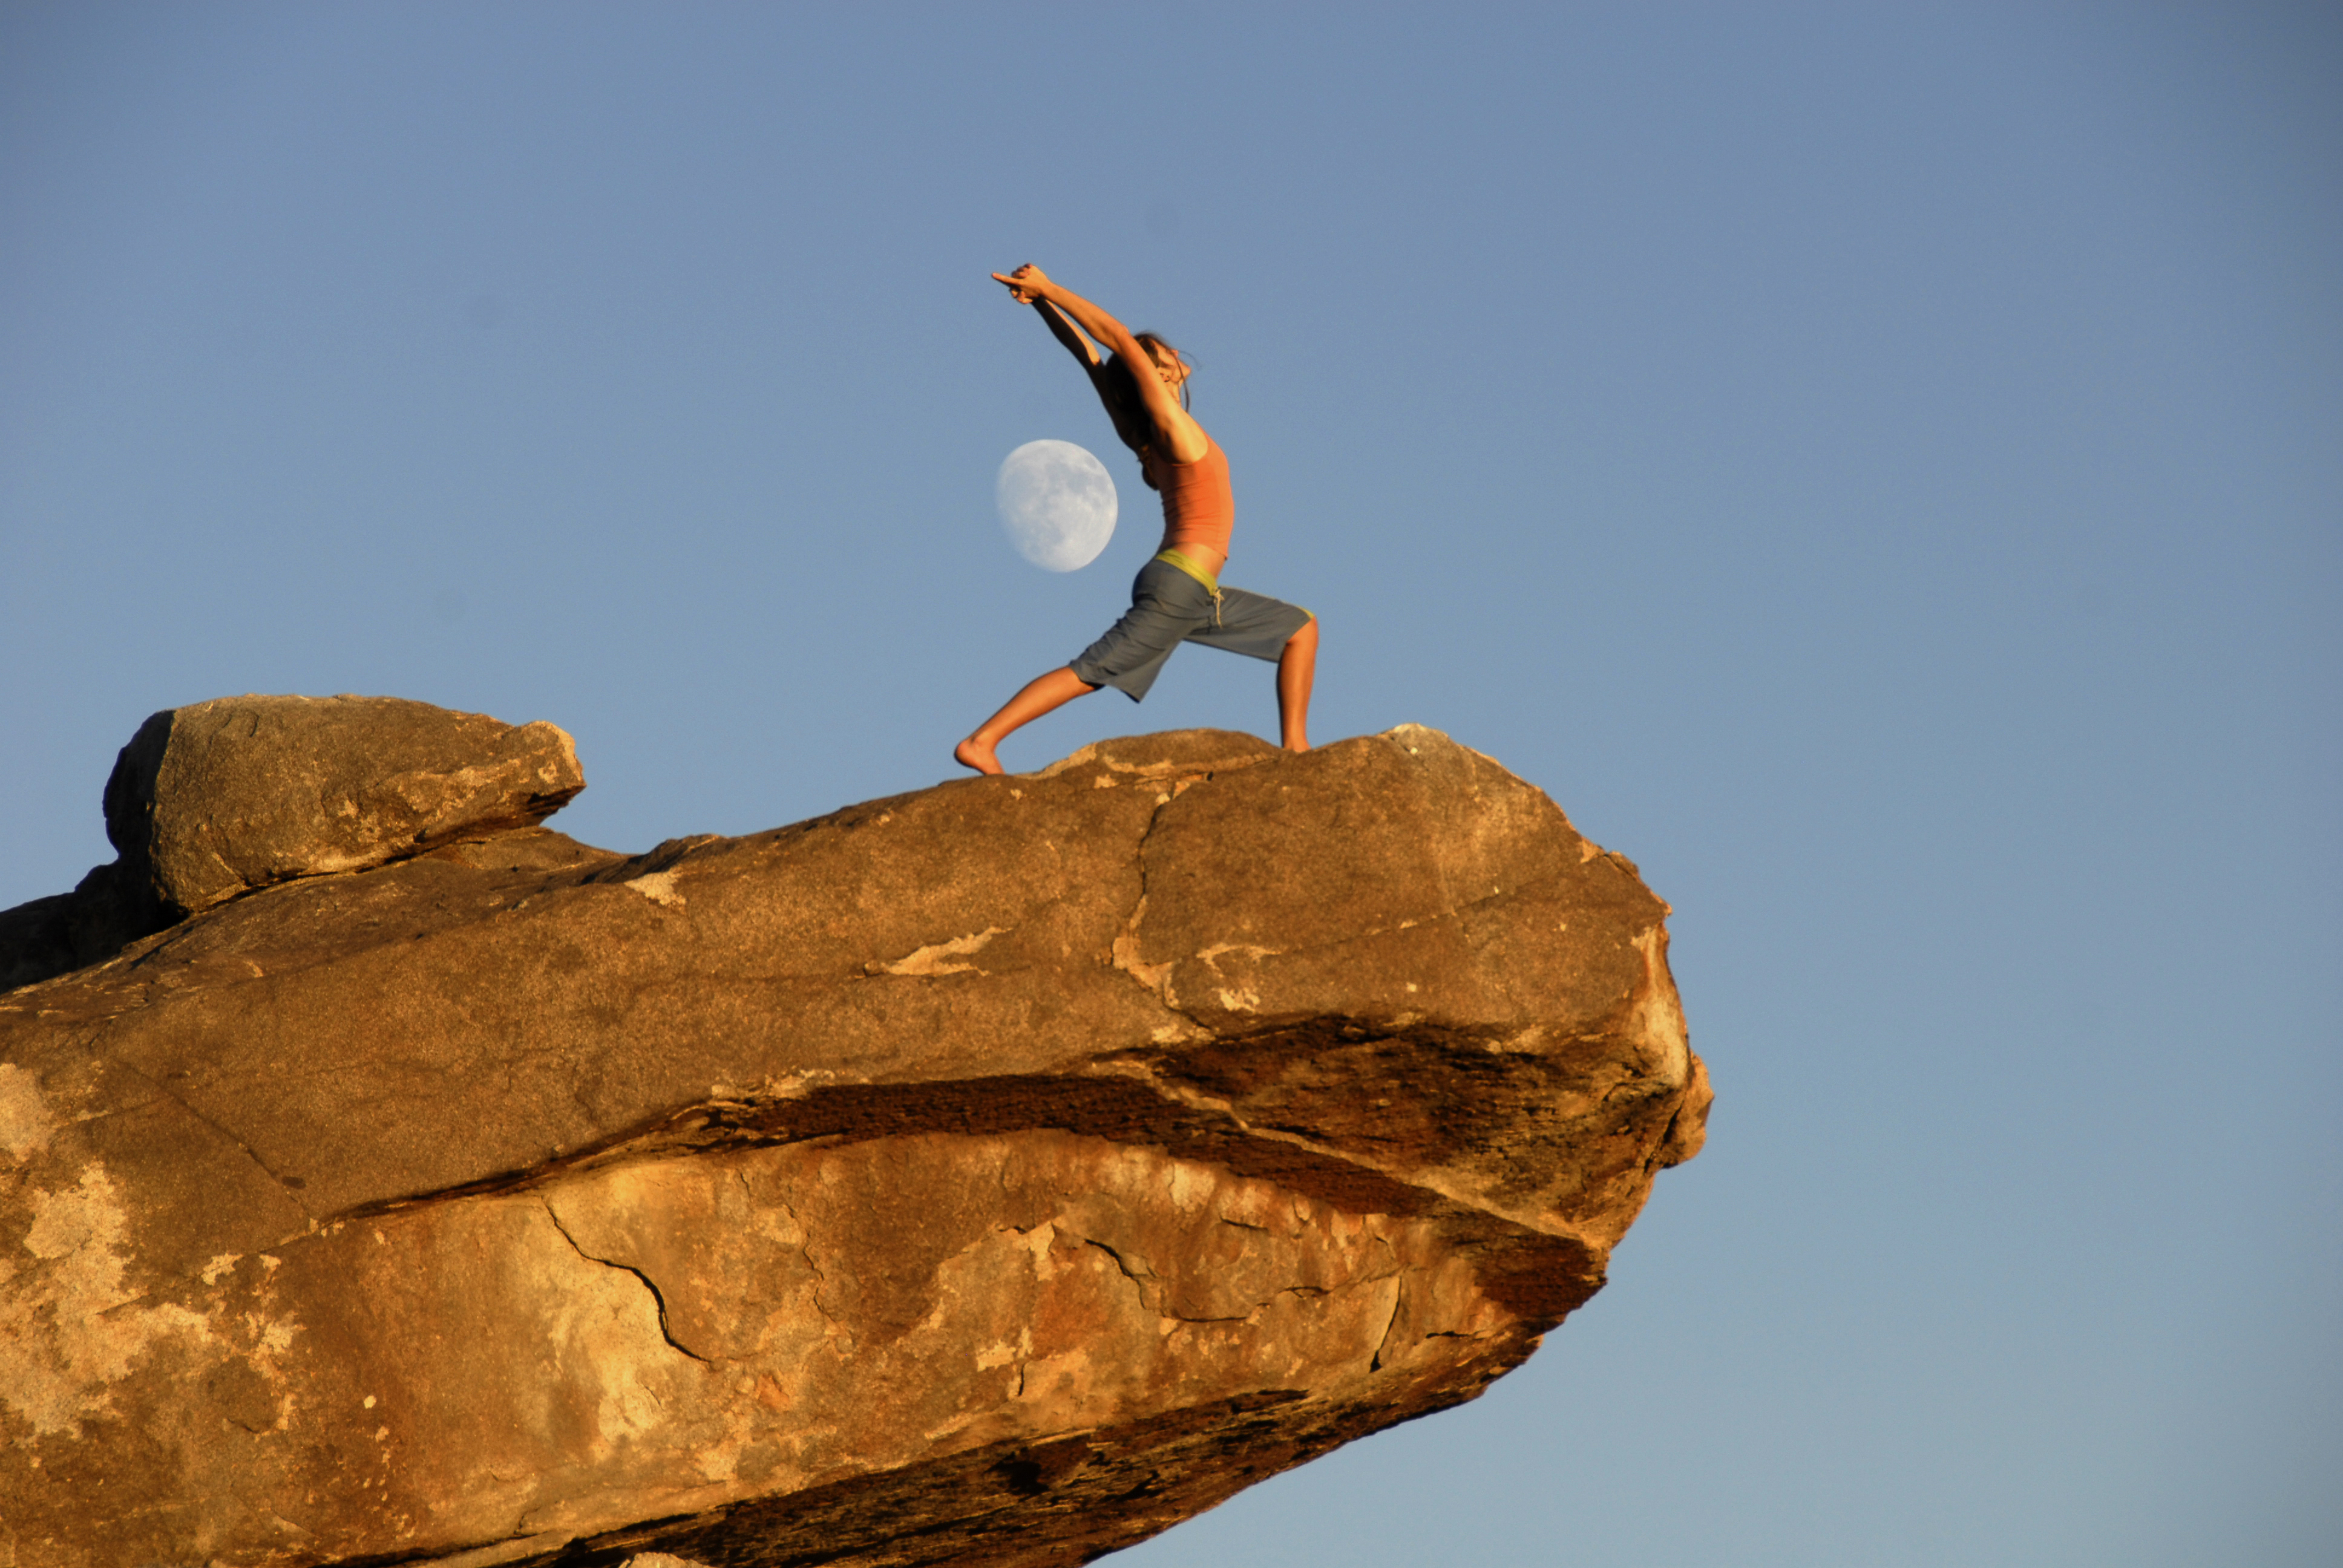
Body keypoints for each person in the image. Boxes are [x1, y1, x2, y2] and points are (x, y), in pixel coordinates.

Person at [954, 263, 1319, 776]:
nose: (1173, 351)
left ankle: (1296, 749)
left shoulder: (1144, 435)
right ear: (1157, 370)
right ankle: (981, 741)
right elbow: (1115, 342)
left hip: (1191, 590)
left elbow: (1089, 359)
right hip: (1179, 585)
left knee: (1299, 630)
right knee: (1091, 671)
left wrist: (1041, 305)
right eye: (1162, 351)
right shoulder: (1170, 427)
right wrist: (1049, 289)